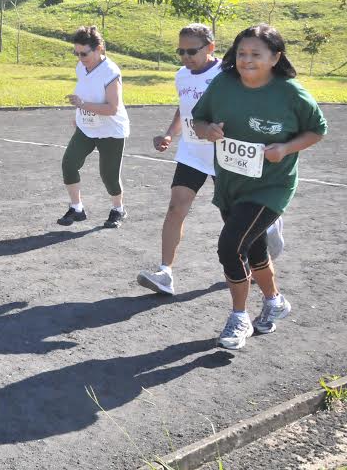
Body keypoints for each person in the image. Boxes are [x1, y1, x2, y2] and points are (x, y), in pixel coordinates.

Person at [192, 24, 326, 350]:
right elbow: (198, 121)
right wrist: (207, 129)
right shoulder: (223, 84)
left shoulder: (290, 92)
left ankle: (239, 318)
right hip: (231, 183)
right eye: (241, 53)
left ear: (275, 57)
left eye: (255, 54)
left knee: (229, 246)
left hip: (271, 186)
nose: (246, 60)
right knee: (253, 249)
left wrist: (285, 149)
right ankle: (275, 301)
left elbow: (317, 129)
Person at [138, 24, 287, 296]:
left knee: (233, 220)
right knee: (175, 208)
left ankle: (266, 230)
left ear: (211, 47)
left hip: (226, 157)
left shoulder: (229, 75)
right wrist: (171, 134)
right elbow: (185, 108)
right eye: (180, 51)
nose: (185, 57)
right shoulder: (181, 76)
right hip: (192, 154)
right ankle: (165, 273)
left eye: (192, 51)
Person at [58, 25, 130, 228]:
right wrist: (78, 114)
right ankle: (77, 208)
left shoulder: (110, 72)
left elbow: (112, 108)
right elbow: (85, 91)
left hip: (110, 130)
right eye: (77, 53)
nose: (81, 58)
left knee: (109, 175)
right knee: (69, 164)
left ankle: (118, 209)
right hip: (87, 127)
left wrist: (82, 106)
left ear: (99, 49)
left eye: (85, 53)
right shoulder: (81, 67)